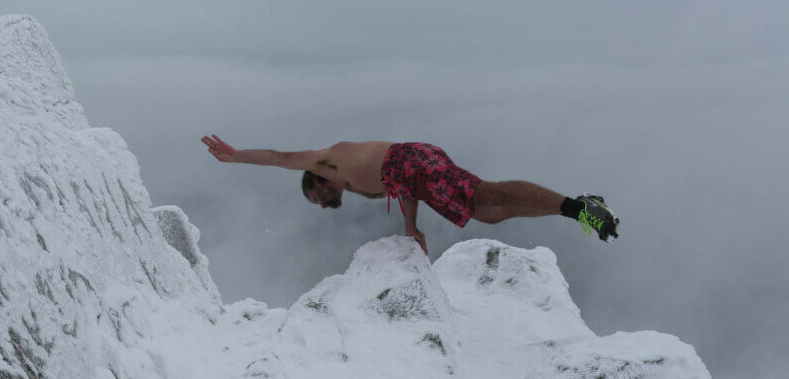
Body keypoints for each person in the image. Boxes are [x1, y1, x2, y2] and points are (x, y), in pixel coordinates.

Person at [201, 134, 618, 254]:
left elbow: (279, 156)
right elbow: (403, 188)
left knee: (488, 197)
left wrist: (237, 157)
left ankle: (579, 207)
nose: (323, 206)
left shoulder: (327, 161)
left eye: (317, 200)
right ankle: (576, 209)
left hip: (413, 160)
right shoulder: (356, 185)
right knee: (488, 212)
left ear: (317, 181)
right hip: (412, 171)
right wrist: (411, 228)